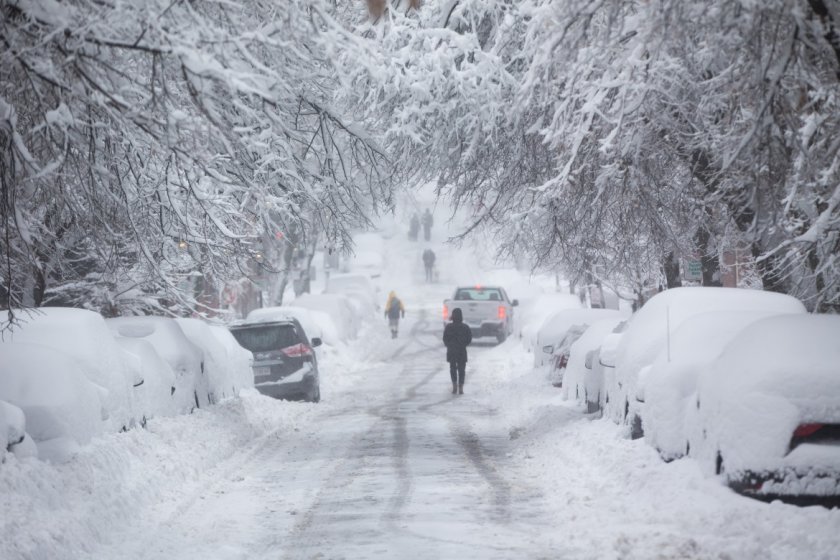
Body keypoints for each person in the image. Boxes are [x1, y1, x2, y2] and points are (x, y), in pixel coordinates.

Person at [443, 308, 472, 395]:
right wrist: (463, 344)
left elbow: (445, 339)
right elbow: (469, 339)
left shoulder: (448, 327)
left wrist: (449, 345)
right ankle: (461, 387)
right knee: (462, 369)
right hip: (462, 351)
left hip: (452, 351)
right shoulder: (465, 327)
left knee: (452, 368)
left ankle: (454, 385)